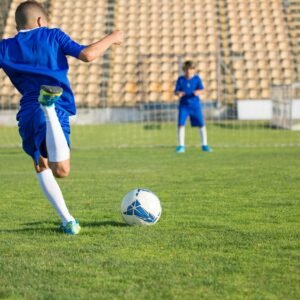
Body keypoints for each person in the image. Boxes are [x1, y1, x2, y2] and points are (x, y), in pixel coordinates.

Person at [0, 1, 123, 234]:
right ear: (40, 21)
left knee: (41, 164)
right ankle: (48, 108)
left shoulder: (5, 47)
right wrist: (112, 37)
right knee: (62, 170)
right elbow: (87, 55)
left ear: (17, 25)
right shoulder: (52, 35)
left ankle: (68, 222)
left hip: (27, 111)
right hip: (55, 105)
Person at [174, 60, 213, 153]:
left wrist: (198, 92)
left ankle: (204, 145)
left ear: (194, 70)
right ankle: (181, 146)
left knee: (201, 124)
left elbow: (202, 90)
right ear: (184, 70)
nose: (189, 71)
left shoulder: (197, 79)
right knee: (181, 125)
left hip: (195, 106)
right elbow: (176, 91)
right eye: (187, 69)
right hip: (184, 106)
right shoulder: (180, 79)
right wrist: (178, 93)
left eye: (191, 69)